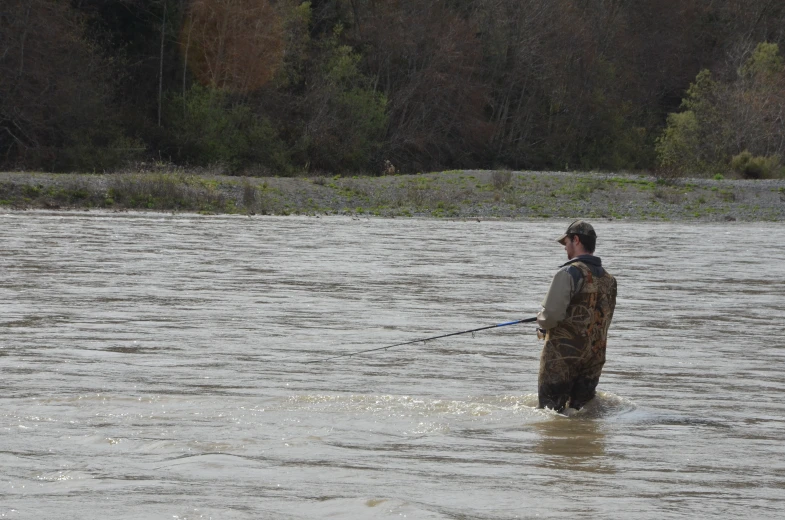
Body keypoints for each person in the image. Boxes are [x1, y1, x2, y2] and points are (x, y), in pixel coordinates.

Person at [535, 220, 617, 413]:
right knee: (582, 414)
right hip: (594, 359)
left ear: (576, 240)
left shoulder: (569, 272)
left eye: (567, 243)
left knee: (550, 414)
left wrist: (541, 321)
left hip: (562, 359)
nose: (565, 248)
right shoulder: (609, 280)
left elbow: (550, 317)